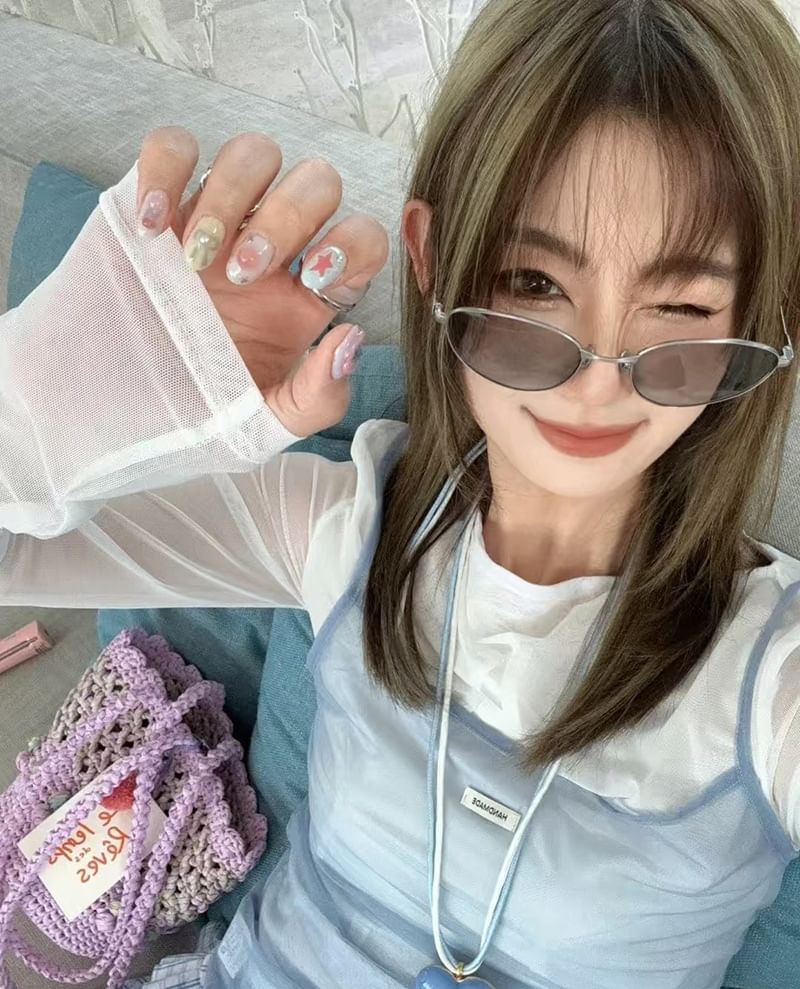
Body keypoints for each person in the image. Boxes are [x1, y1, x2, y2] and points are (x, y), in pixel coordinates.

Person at [3, 0, 800, 985]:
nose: (598, 378)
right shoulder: (344, 526)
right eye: (535, 283)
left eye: (678, 306)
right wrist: (52, 403)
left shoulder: (771, 683)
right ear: (431, 252)